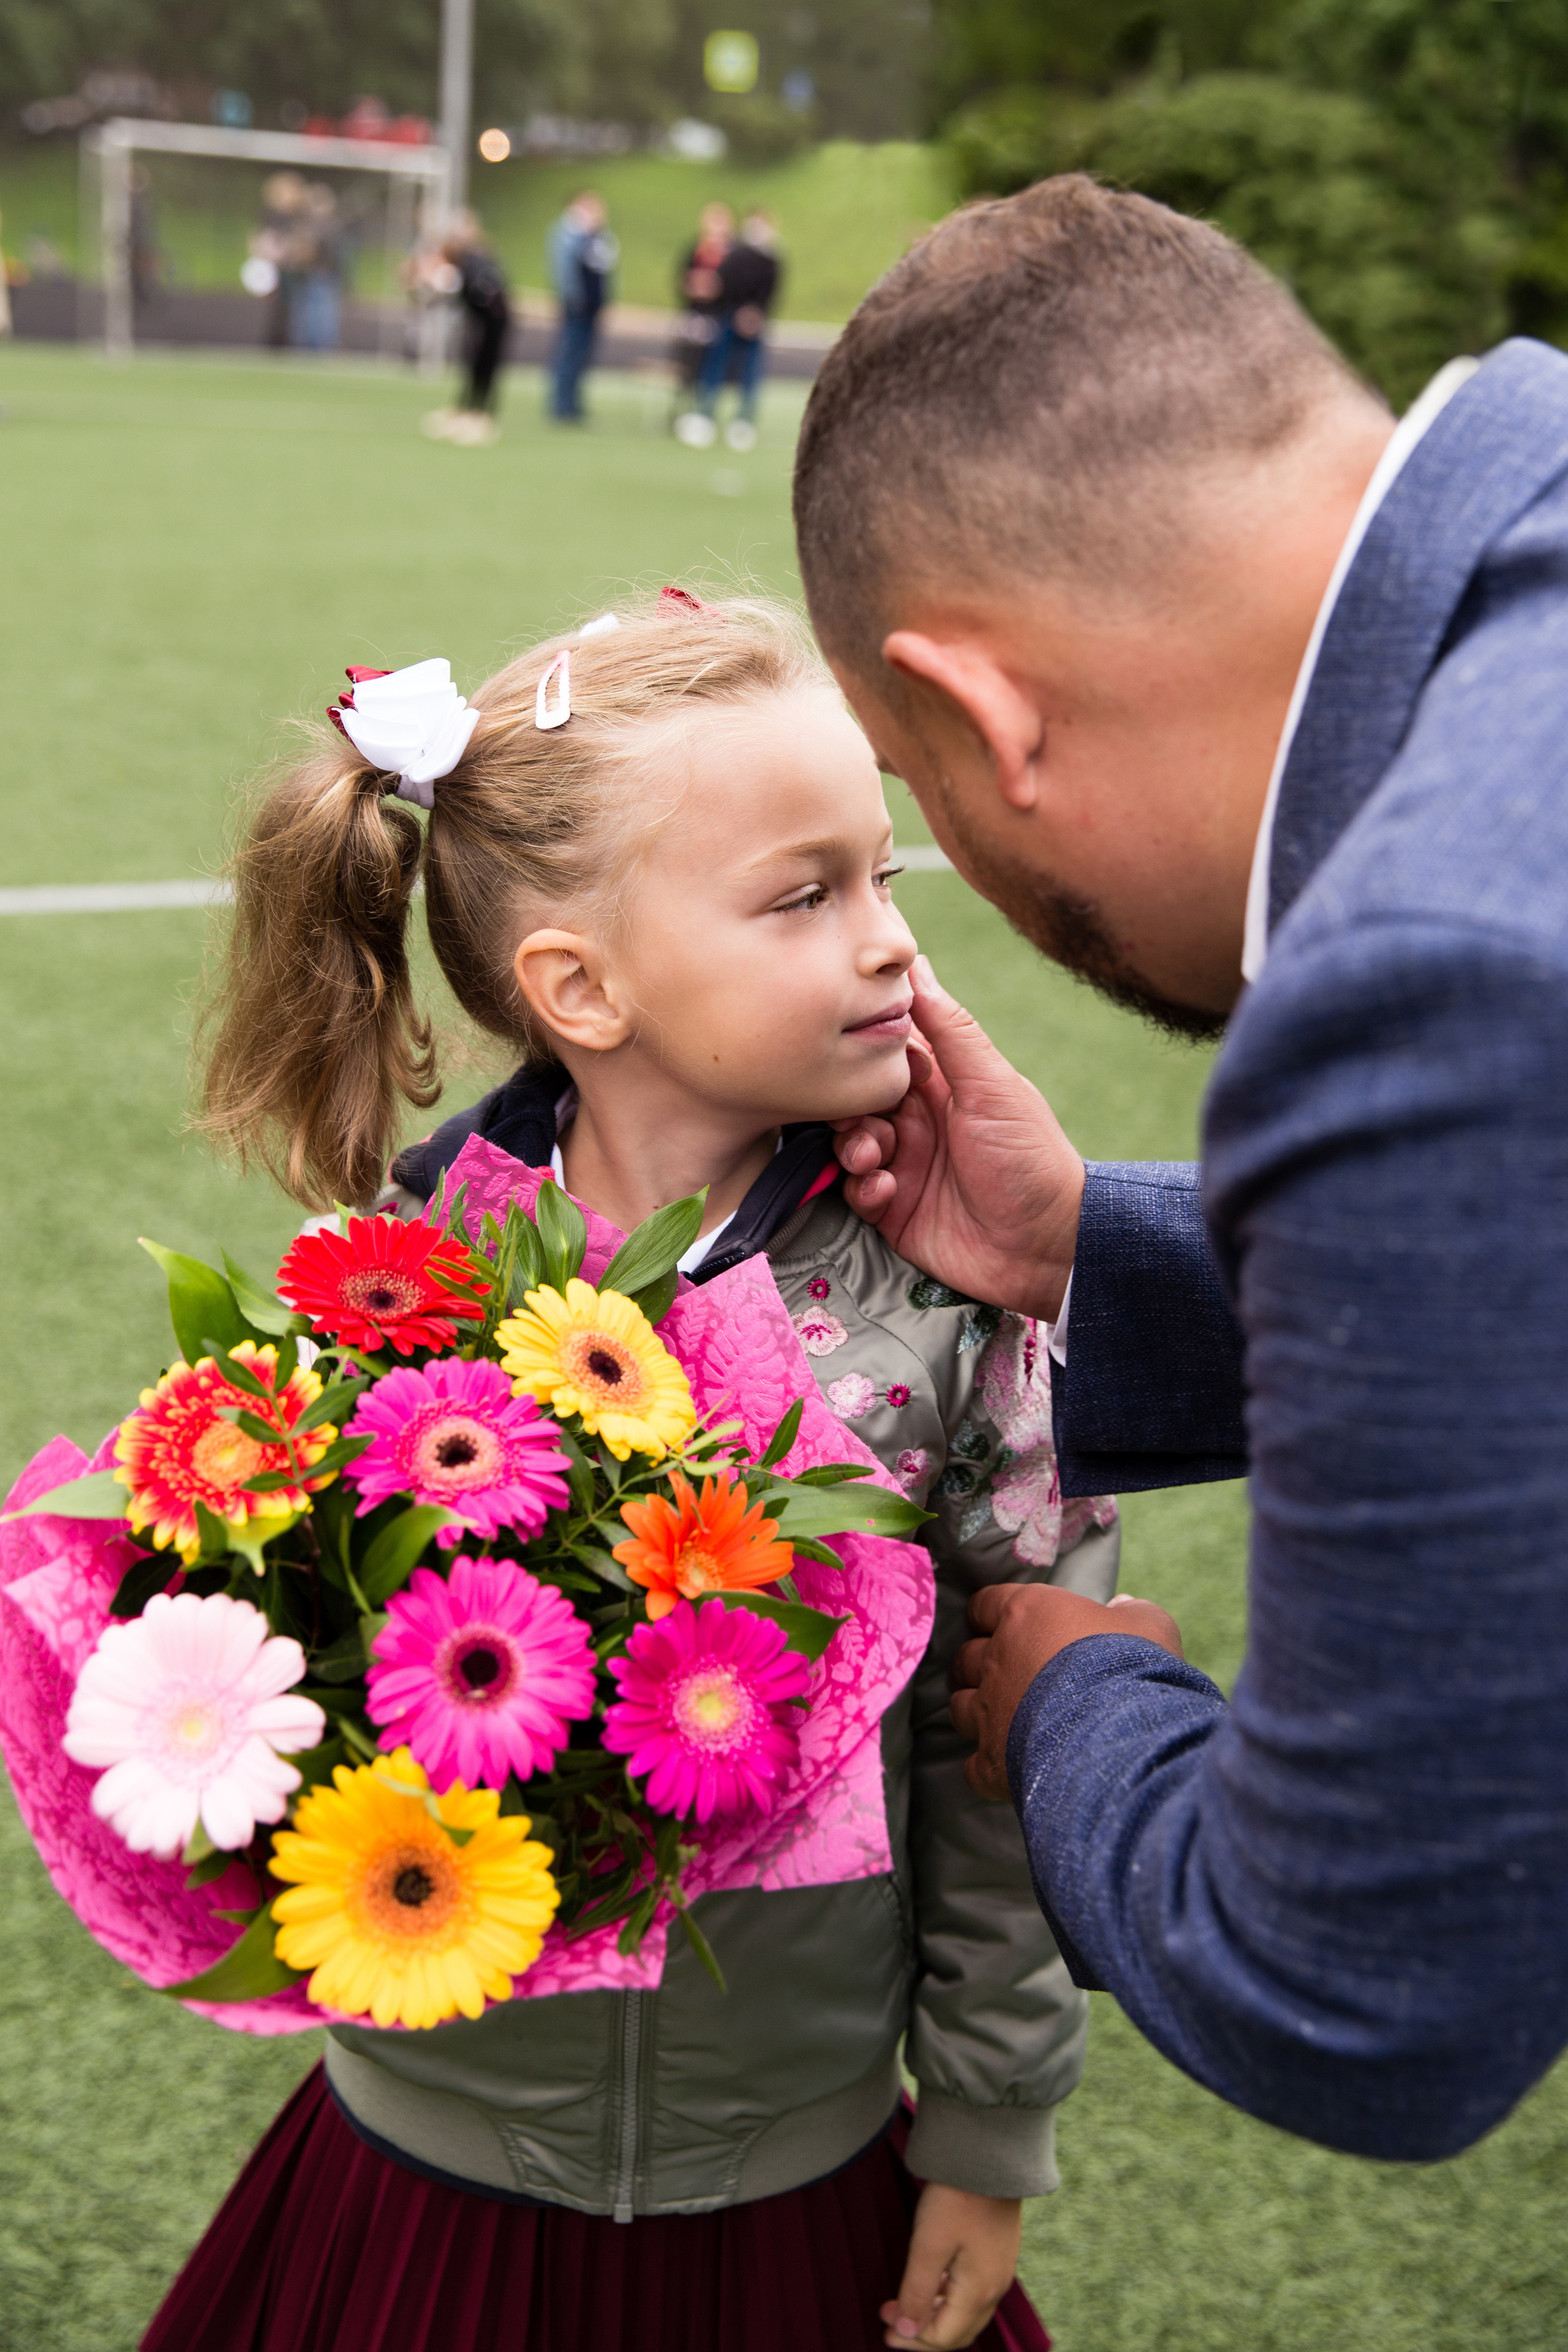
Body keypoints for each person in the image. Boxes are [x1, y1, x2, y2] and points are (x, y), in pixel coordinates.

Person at [151, 590, 1121, 2352]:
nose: (893, 942)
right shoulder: (393, 1305)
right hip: (420, 2168)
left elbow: (1012, 1768)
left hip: (803, 2179)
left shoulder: (961, 1302)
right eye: (805, 895)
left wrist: (987, 2127)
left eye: (884, 876)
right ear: (579, 987)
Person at [790, 171, 1568, 2165]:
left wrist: (1069, 1701)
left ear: (983, 711)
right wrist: (1086, 1248)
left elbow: (1367, 1996)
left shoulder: (1430, 973)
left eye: (921, 806)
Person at [687, 207, 784, 453]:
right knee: (715, 367)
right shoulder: (736, 255)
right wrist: (737, 311)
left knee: (751, 372)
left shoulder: (773, 260)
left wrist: (756, 313)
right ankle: (705, 415)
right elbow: (723, 285)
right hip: (728, 318)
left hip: (756, 323)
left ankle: (744, 422)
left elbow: (772, 293)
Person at [421, 211, 513, 445]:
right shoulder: (463, 260)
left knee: (486, 366)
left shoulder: (477, 258)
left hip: (493, 321)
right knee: (472, 365)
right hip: (480, 319)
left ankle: (482, 416)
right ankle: (464, 410)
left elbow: (485, 292)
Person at [547, 190, 615, 424]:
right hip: (576, 307)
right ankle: (560, 405)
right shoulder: (568, 233)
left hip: (593, 307)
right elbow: (564, 271)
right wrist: (571, 299)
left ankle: (575, 403)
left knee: (584, 357)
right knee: (568, 354)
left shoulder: (600, 237)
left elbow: (606, 270)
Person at [671, 202, 733, 442]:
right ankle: (682, 412)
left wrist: (717, 289)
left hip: (719, 318)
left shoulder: (732, 255)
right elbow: (681, 279)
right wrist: (694, 287)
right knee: (688, 366)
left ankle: (706, 413)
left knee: (715, 367)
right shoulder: (696, 251)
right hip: (695, 316)